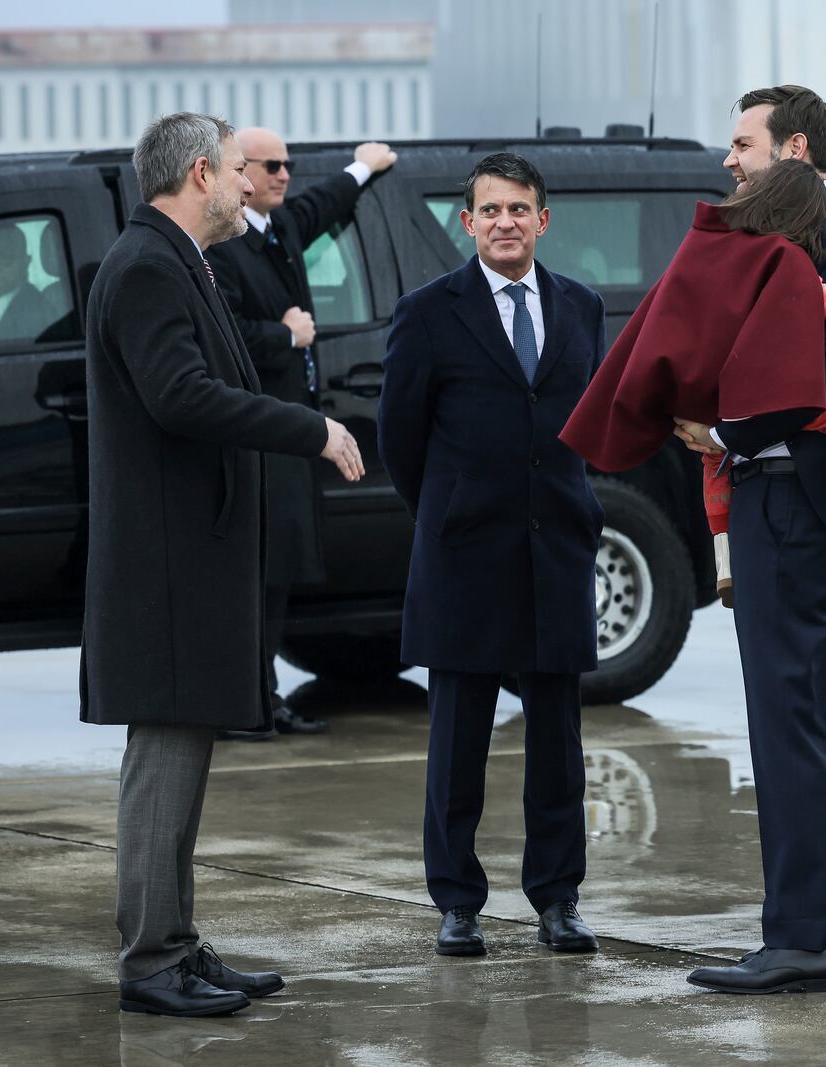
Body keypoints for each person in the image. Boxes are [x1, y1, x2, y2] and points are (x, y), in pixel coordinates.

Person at [80, 111, 364, 1018]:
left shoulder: (175, 259)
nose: (252, 187)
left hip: (189, 557)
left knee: (186, 750)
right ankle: (151, 961)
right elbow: (183, 396)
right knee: (164, 755)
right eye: (242, 170)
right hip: (165, 565)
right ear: (202, 173)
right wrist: (310, 429)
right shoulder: (147, 266)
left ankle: (175, 942)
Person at [671, 85, 826, 994]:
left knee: (788, 721)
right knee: (823, 716)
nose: (729, 160)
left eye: (742, 144)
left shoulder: (820, 234)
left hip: (790, 498)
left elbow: (808, 376)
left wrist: (720, 434)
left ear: (792, 147)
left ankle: (805, 936)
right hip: (805, 501)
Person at [377, 153, 607, 960]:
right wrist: (452, 507)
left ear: (543, 221)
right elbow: (400, 440)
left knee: (557, 741)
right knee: (459, 738)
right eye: (490, 210)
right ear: (467, 223)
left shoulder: (581, 307)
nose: (505, 222)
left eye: (520, 209)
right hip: (465, 554)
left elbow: (586, 421)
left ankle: (558, 898)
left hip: (559, 550)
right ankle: (457, 902)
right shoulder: (428, 312)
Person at [560, 161, 826, 606]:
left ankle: (724, 552)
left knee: (713, 464)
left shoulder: (718, 249)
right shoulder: (780, 258)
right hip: (754, 403)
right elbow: (814, 295)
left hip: (704, 392)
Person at [207, 128, 398, 741]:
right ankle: (246, 702)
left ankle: (261, 698)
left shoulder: (280, 227)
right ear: (239, 173)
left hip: (293, 433)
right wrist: (284, 335)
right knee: (256, 571)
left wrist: (362, 169)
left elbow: (321, 204)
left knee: (279, 568)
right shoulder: (223, 246)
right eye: (270, 166)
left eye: (288, 165)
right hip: (257, 433)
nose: (284, 175)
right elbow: (217, 337)